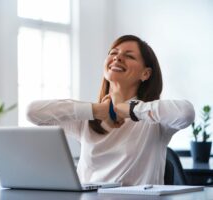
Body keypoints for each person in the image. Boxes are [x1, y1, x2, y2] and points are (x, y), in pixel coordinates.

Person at [26, 35, 195, 186]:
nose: (118, 57)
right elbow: (32, 113)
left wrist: (127, 110)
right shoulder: (86, 118)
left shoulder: (154, 121)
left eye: (129, 56)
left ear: (145, 74)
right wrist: (96, 110)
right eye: (113, 53)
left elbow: (185, 113)